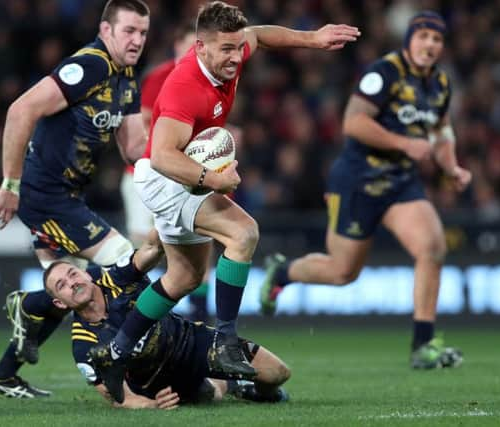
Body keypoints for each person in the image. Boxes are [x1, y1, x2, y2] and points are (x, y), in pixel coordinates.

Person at [88, 0, 360, 403]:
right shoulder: (185, 87)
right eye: (226, 50)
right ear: (200, 48)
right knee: (244, 232)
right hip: (164, 178)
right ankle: (225, 341)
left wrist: (313, 40)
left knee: (184, 278)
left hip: (178, 178)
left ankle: (114, 352)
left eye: (237, 48)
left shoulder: (233, 47)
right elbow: (161, 154)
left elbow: (260, 35)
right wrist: (214, 178)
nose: (236, 57)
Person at [259, 11, 472, 370]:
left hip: (401, 183)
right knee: (343, 272)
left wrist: (451, 168)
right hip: (358, 181)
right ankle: (283, 273)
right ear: (410, 40)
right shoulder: (384, 73)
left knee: (432, 247)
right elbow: (353, 122)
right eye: (424, 37)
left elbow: (441, 132)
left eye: (437, 40)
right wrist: (404, 144)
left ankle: (423, 345)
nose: (430, 45)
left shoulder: (439, 85)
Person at [0, 0, 160, 399]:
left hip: (68, 195)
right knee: (123, 258)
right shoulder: (90, 66)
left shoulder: (126, 75)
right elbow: (20, 110)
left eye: (143, 33)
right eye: (129, 31)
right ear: (106, 30)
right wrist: (10, 184)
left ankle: (3, 375)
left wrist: (179, 156)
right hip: (46, 197)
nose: (137, 40)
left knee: (66, 296)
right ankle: (31, 305)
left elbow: (133, 148)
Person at [43, 245, 291, 409]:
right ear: (59, 302)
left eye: (73, 274)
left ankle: (250, 390)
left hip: (188, 341)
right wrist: (150, 404)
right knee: (207, 395)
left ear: (85, 273)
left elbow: (146, 253)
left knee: (278, 373)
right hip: (158, 382)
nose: (72, 283)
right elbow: (116, 397)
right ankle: (226, 385)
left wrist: (164, 231)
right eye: (62, 285)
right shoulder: (83, 343)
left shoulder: (115, 277)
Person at [122, 23, 210, 322]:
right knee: (142, 247)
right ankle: (128, 313)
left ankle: (198, 322)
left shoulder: (206, 80)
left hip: (184, 178)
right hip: (146, 174)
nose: (191, 53)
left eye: (196, 47)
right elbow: (145, 124)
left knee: (196, 249)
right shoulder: (159, 77)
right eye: (187, 46)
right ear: (176, 47)